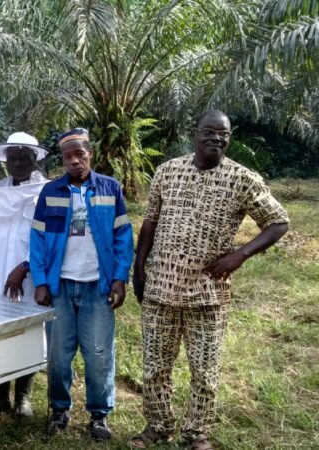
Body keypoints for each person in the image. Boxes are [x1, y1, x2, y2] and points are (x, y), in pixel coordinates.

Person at [129, 111, 289, 450]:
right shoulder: (167, 171)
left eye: (224, 134)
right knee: (155, 366)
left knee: (205, 370)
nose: (217, 138)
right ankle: (158, 426)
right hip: (161, 288)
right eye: (210, 132)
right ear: (195, 133)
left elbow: (278, 222)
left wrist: (239, 255)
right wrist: (139, 268)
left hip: (208, 293)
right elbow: (149, 223)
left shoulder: (242, 179)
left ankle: (196, 433)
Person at [30, 128, 134, 441]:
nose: (75, 161)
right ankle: (59, 409)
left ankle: (99, 415)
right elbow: (37, 237)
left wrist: (119, 277)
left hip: (97, 287)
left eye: (80, 154)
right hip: (60, 286)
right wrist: (40, 280)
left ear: (90, 153)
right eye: (68, 156)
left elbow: (123, 237)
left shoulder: (109, 188)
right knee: (59, 356)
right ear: (62, 159)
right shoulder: (51, 191)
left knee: (99, 354)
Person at [0, 131, 49, 417]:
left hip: (29, 279)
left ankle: (23, 398)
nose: (17, 163)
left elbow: (48, 237)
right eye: (11, 159)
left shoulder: (46, 192)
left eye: (23, 158)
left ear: (33, 159)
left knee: (26, 334)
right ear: (5, 161)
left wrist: (25, 265)